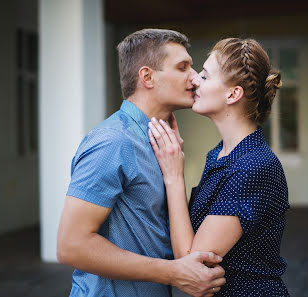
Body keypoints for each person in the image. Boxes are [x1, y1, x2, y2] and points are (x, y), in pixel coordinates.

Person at [57, 29, 226, 297]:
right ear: (147, 77)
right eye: (182, 67)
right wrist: (174, 272)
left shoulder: (163, 143)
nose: (194, 77)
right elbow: (71, 245)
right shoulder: (113, 142)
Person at [148, 38, 290, 296]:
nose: (194, 81)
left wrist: (173, 177)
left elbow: (191, 263)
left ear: (233, 94)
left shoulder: (253, 167)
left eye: (205, 75)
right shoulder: (221, 154)